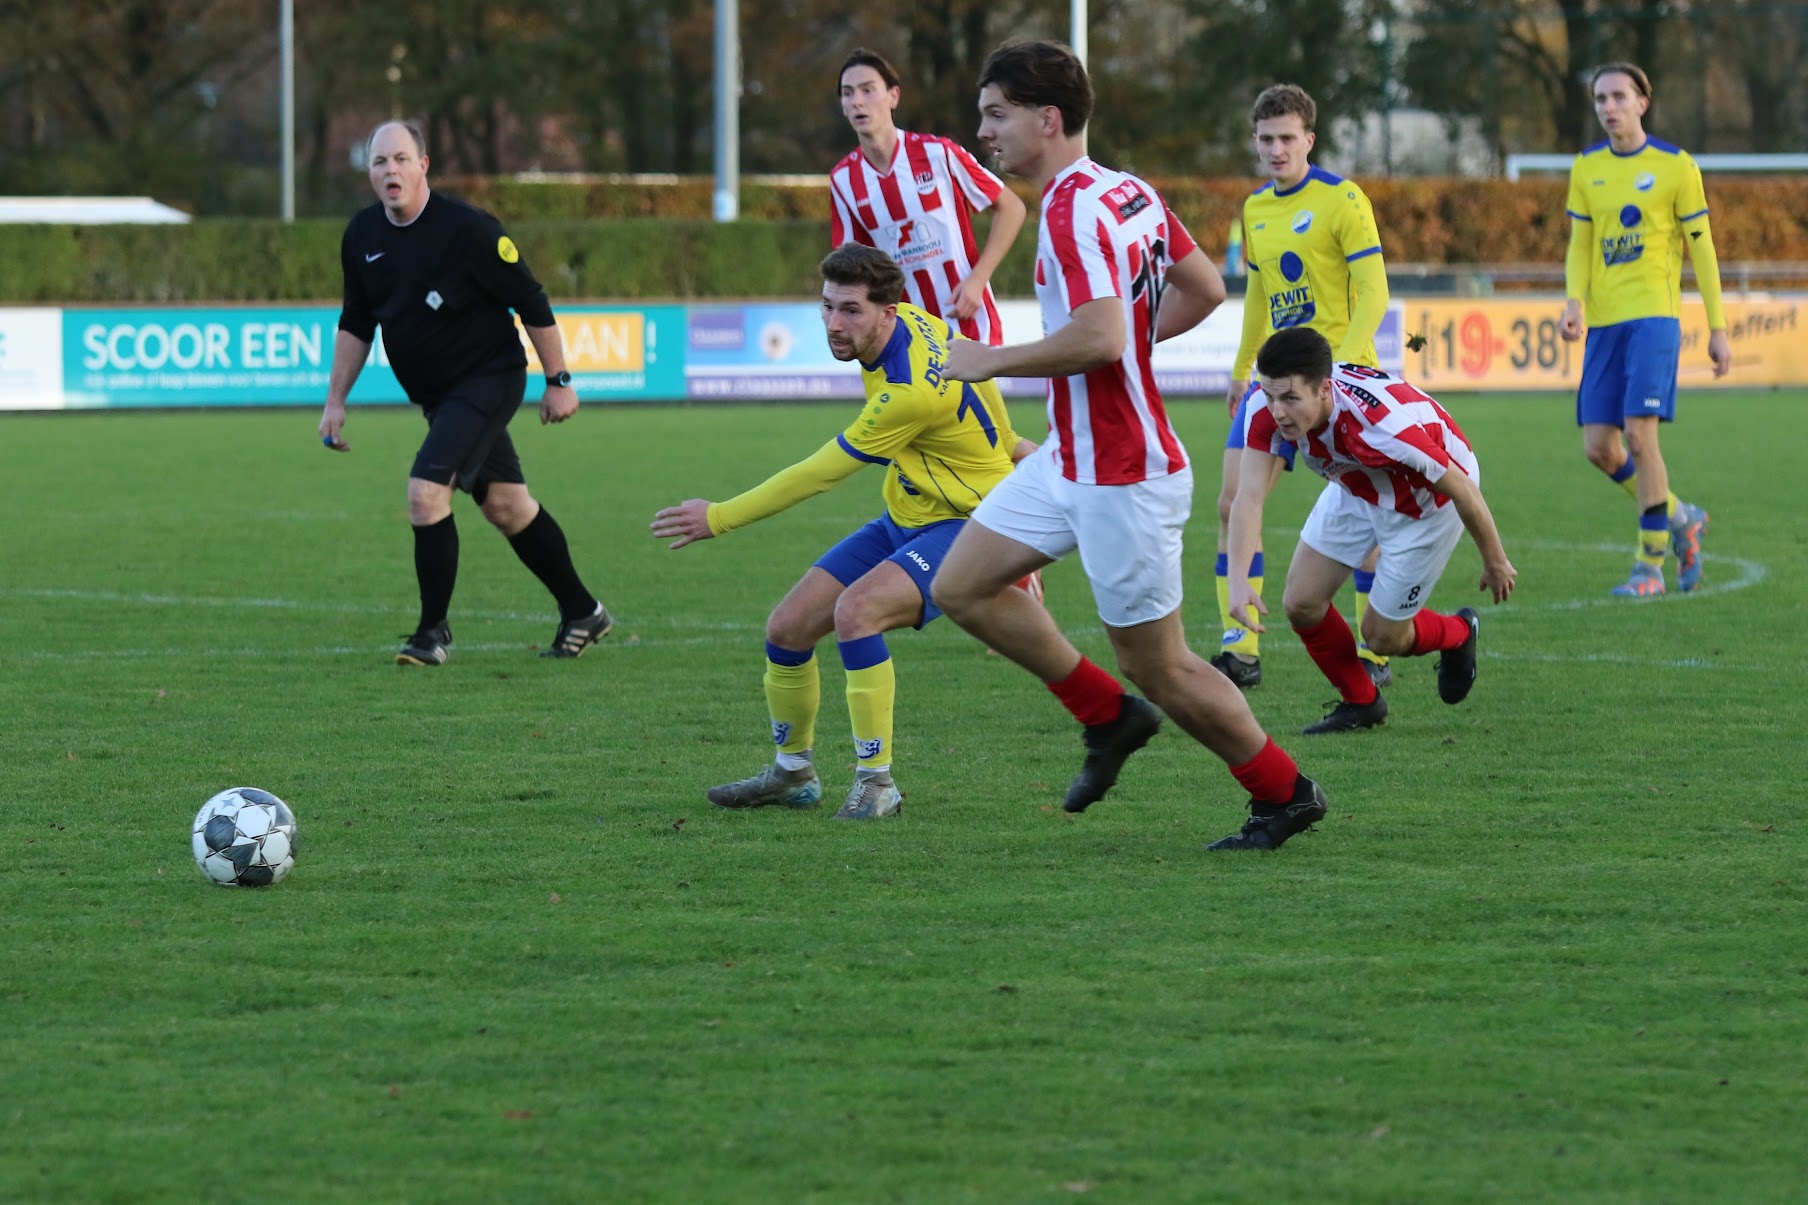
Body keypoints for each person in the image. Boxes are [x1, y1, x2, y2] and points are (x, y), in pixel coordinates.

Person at [934, 39, 1331, 854]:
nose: (984, 131)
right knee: (962, 586)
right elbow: (1207, 288)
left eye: (996, 114)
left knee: (1166, 665)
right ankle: (1108, 716)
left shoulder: (1075, 210)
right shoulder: (1126, 191)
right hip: (1069, 458)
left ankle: (1286, 792)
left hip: (1123, 472)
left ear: (1047, 119)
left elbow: (1105, 336)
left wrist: (993, 359)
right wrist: (1119, 353)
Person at [650, 243, 1034, 822]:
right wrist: (1012, 447)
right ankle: (792, 772)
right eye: (827, 306)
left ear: (886, 310)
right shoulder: (916, 321)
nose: (834, 323)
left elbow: (818, 474)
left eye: (850, 310)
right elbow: (985, 410)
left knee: (857, 612)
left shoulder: (907, 391)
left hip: (967, 525)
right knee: (787, 627)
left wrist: (719, 516)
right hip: (907, 515)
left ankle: (876, 783)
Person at [318, 121, 613, 666]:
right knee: (507, 506)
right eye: (380, 162)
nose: (391, 171)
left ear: (423, 165)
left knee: (424, 493)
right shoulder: (361, 236)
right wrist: (335, 401)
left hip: (489, 379)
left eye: (401, 159)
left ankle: (432, 635)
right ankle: (582, 610)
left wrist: (559, 380)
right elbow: (356, 321)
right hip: (438, 399)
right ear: (369, 173)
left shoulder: (469, 229)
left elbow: (531, 300)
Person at [1228, 328, 1517, 734]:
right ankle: (1362, 703)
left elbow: (1463, 488)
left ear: (1324, 390)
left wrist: (1495, 561)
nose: (1276, 411)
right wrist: (1238, 580)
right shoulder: (1264, 406)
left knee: (1382, 637)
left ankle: (1458, 633)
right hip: (1356, 481)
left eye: (1290, 398)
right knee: (1301, 603)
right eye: (1271, 395)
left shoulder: (1380, 427)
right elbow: (1249, 497)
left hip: (1424, 503)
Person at [1215, 84, 1391, 692]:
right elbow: (1260, 296)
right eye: (1265, 139)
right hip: (1272, 381)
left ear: (1309, 140)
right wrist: (1243, 369)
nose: (1275, 149)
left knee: (1364, 515)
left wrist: (1338, 370)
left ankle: (1375, 649)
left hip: (1340, 383)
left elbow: (1375, 293)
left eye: (1287, 138)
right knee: (1233, 501)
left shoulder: (1343, 199)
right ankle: (1240, 647)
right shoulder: (1256, 208)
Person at [1558, 62, 1731, 598]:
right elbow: (1581, 243)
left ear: (1642, 103)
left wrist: (1718, 327)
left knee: (1639, 435)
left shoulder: (1676, 166)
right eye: (1600, 99)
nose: (1608, 107)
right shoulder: (1587, 167)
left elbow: (1701, 248)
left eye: (1618, 97)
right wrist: (1574, 301)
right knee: (1599, 448)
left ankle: (1649, 567)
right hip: (1605, 324)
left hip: (1655, 317)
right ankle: (1682, 516)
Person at [830, 48, 1027, 347]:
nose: (857, 100)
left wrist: (978, 279)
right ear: (843, 106)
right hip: (902, 339)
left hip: (968, 325)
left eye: (868, 90)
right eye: (848, 93)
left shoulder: (939, 154)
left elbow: (1012, 207)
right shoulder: (843, 180)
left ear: (893, 96)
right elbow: (850, 265)